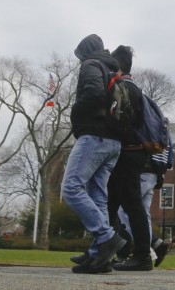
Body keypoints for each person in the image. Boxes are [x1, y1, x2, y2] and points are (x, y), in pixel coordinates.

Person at [61, 34, 127, 274]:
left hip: (94, 136)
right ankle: (99, 256)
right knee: (98, 196)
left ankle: (106, 237)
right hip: (113, 142)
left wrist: (75, 113)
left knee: (71, 188)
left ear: (84, 52)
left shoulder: (91, 64)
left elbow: (93, 94)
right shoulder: (112, 69)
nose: (79, 61)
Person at [100, 45, 154, 271]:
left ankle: (142, 255)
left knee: (131, 204)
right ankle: (101, 251)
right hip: (134, 153)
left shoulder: (122, 88)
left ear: (117, 67)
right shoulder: (135, 89)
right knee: (112, 203)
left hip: (127, 153)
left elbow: (119, 122)